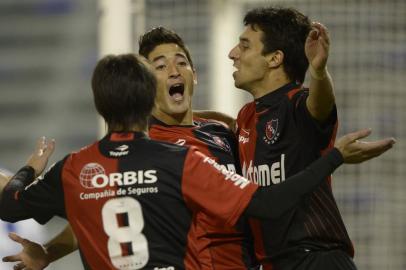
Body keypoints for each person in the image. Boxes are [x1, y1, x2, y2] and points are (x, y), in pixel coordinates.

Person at [0, 53, 395, 270]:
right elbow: (268, 202)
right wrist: (334, 157)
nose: (173, 71)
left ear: (100, 105)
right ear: (147, 98)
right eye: (159, 66)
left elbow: (13, 203)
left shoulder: (75, 169)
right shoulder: (179, 161)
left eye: (181, 61)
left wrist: (32, 167)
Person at [197, 6, 365, 270]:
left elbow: (319, 106)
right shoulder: (247, 116)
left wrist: (319, 72)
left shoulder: (297, 105)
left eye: (244, 46)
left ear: (274, 58)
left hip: (316, 259)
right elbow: (225, 123)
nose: (232, 54)